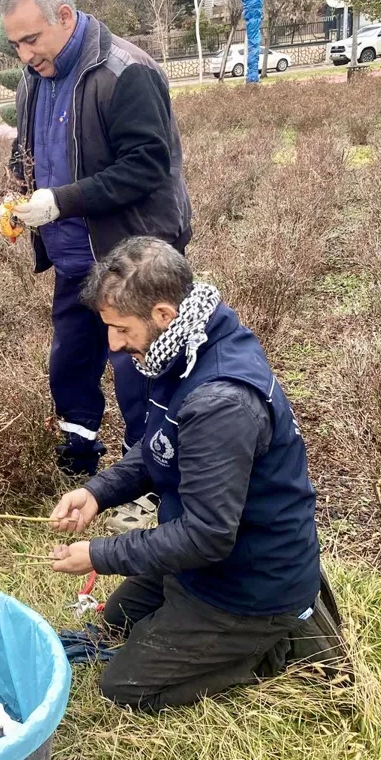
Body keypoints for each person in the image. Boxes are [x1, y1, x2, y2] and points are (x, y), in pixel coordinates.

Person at [45, 237, 343, 711]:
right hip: (204, 564)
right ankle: (195, 624)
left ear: (163, 314)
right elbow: (160, 445)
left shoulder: (220, 401)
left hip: (248, 583)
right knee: (116, 623)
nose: (114, 344)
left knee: (125, 687)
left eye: (121, 329)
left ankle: (277, 645)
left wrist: (100, 554)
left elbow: (207, 536)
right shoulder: (187, 345)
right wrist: (98, 492)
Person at [0, 0, 192, 475]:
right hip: (72, 255)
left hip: (133, 258)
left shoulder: (127, 70)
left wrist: (61, 201)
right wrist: (16, 192)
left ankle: (147, 471)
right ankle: (78, 452)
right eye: (16, 44)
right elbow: (26, 149)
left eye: (31, 39)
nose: (24, 54)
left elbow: (147, 166)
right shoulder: (33, 80)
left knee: (140, 368)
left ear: (64, 17)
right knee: (71, 363)